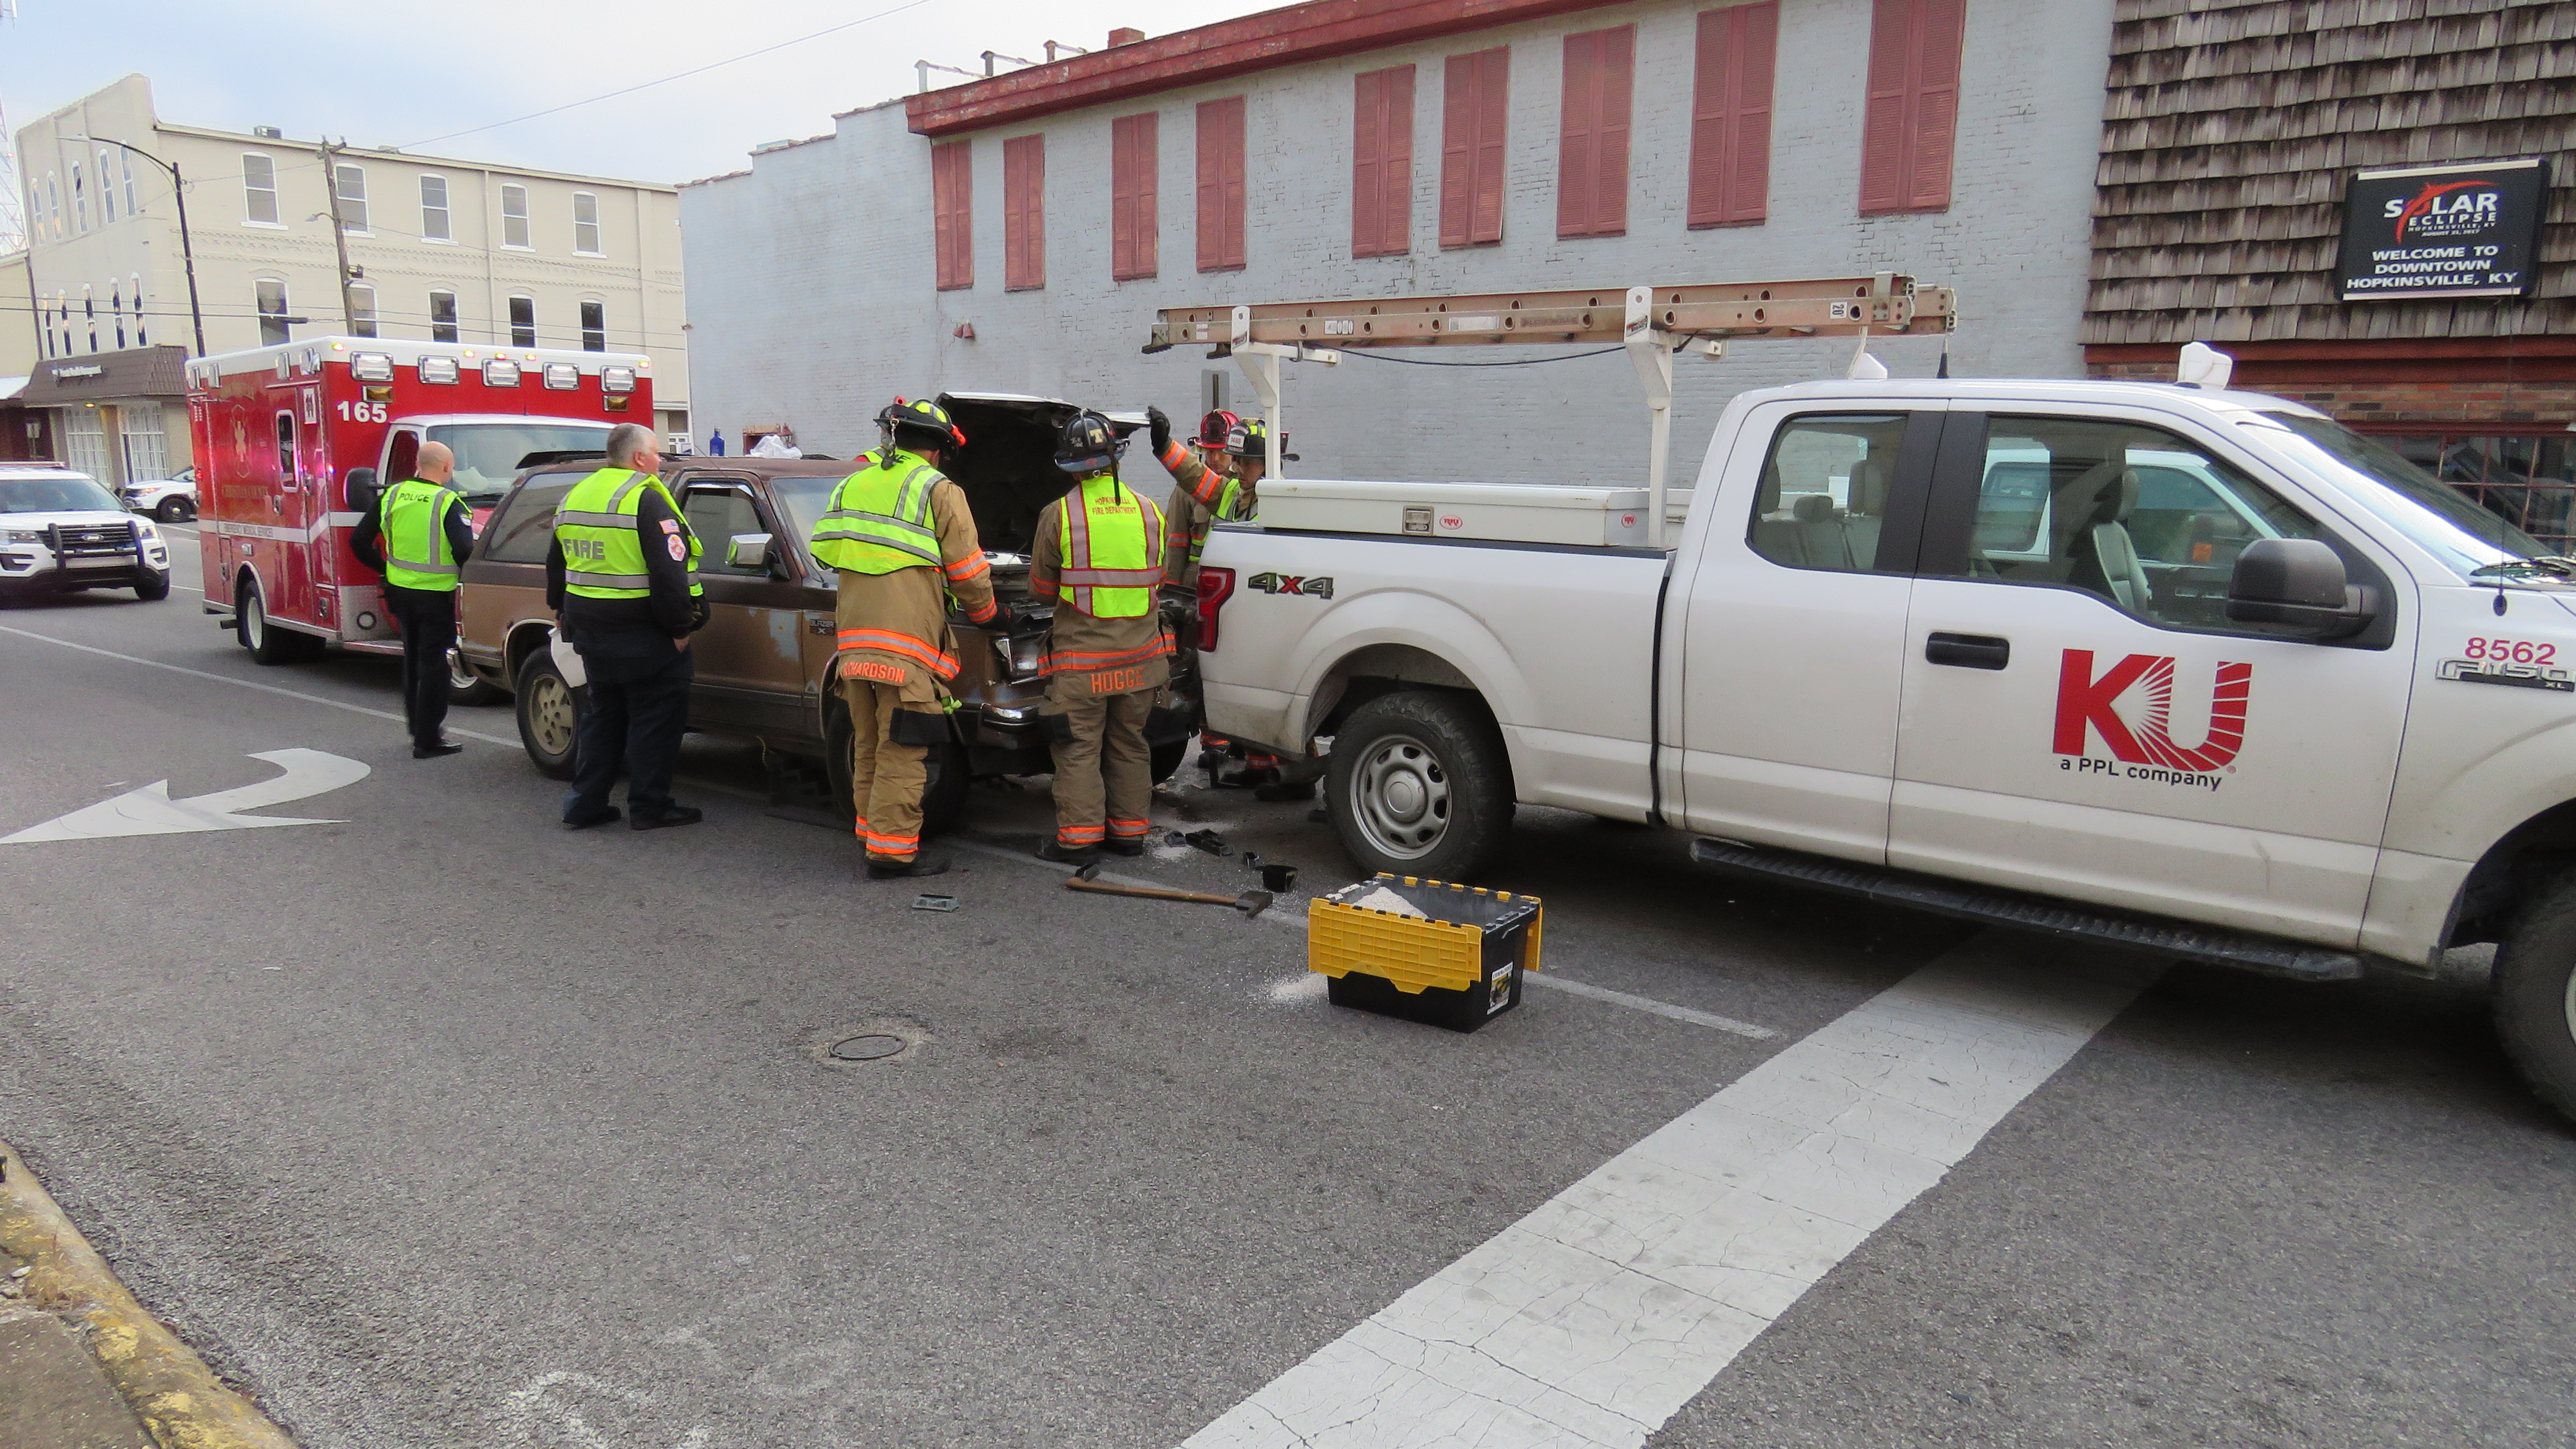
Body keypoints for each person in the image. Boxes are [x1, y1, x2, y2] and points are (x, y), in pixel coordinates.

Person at [808, 397, 998, 879]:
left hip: (853, 646)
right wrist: (990, 614)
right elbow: (969, 572)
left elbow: (826, 552)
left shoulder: (853, 483)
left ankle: (872, 838)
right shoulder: (938, 489)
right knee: (906, 749)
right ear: (936, 450)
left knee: (869, 744)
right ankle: (892, 854)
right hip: (905, 651)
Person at [548, 422, 708, 831]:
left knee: (603, 717)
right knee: (654, 721)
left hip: (591, 630)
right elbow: (669, 572)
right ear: (639, 458)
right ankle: (650, 806)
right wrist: (679, 628)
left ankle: (585, 805)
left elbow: (557, 562)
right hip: (645, 633)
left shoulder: (576, 495)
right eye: (656, 453)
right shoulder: (646, 498)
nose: (660, 461)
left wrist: (560, 610)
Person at [1031, 411, 1169, 865]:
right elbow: (1157, 578)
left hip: (1084, 667)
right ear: (1115, 458)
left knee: (1078, 747)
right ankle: (1129, 835)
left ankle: (1078, 840)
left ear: (1071, 464)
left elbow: (1043, 590)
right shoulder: (1151, 512)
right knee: (1130, 743)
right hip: (1141, 662)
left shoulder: (1060, 514)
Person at [350, 441, 474, 759]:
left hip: (399, 594)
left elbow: (359, 541)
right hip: (435, 596)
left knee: (413, 660)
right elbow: (463, 551)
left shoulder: (392, 495)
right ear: (446, 467)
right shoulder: (448, 502)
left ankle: (416, 729)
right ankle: (428, 739)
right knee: (435, 666)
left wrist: (385, 568)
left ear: (419, 464)